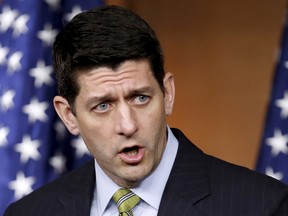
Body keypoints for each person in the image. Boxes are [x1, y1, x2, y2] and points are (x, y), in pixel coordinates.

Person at [4, 5, 288, 216]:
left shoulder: (261, 205)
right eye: (103, 106)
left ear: (167, 94)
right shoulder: (30, 212)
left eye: (140, 98)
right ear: (68, 116)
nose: (127, 125)